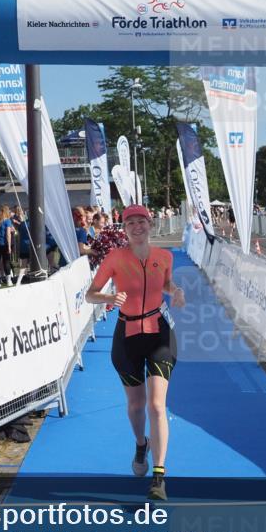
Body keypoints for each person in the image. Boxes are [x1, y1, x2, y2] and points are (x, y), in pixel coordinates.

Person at [84, 204, 185, 501]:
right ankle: (141, 442)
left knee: (156, 405)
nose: (137, 227)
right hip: (127, 335)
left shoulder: (164, 256)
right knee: (136, 406)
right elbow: (91, 293)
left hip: (160, 333)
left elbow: (165, 282)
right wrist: (109, 296)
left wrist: (175, 290)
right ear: (124, 228)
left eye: (142, 221)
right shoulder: (115, 257)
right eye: (131, 223)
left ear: (150, 224)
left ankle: (159, 476)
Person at [0, 205, 15, 287]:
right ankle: (9, 281)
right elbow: (8, 234)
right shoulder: (7, 221)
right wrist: (8, 246)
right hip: (3, 244)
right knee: (6, 262)